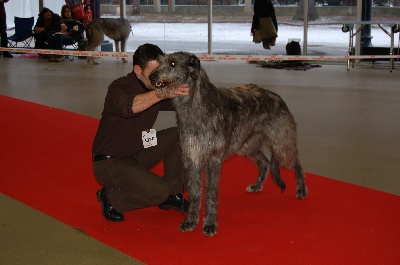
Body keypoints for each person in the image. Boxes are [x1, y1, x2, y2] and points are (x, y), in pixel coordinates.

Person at [92, 43, 190, 222]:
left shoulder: (154, 88)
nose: (160, 80)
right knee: (159, 191)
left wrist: (230, 95)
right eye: (154, 75)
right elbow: (130, 107)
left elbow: (189, 99)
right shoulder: (118, 87)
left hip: (138, 151)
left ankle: (173, 196)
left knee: (179, 135)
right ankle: (112, 198)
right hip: (110, 162)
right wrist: (163, 93)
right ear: (138, 70)